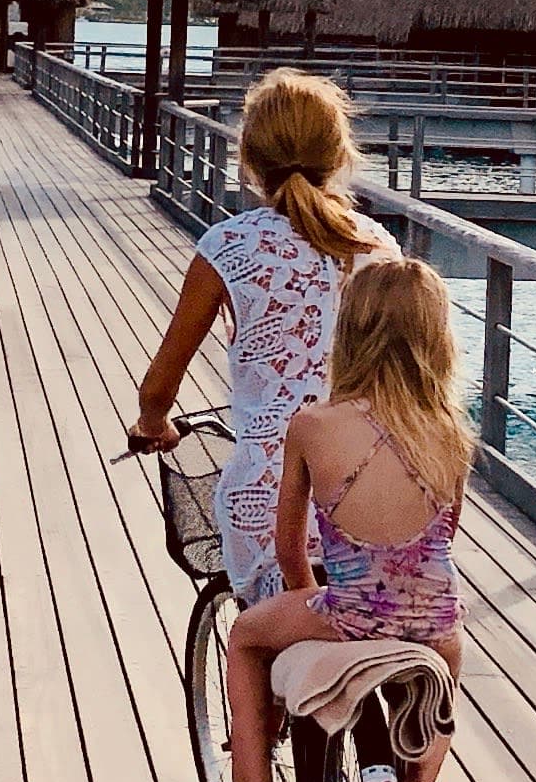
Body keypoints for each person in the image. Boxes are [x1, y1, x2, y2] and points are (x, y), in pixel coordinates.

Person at [212, 254, 468, 782]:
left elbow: (289, 546)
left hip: (349, 611)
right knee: (448, 671)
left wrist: (308, 599)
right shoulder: (451, 432)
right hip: (432, 617)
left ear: (349, 332)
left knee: (246, 638)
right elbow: (442, 541)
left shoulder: (312, 426)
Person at [130, 62, 390, 602]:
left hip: (272, 499)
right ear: (339, 156)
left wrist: (154, 423)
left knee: (260, 640)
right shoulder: (378, 248)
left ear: (248, 158)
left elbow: (160, 384)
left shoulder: (228, 247)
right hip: (373, 486)